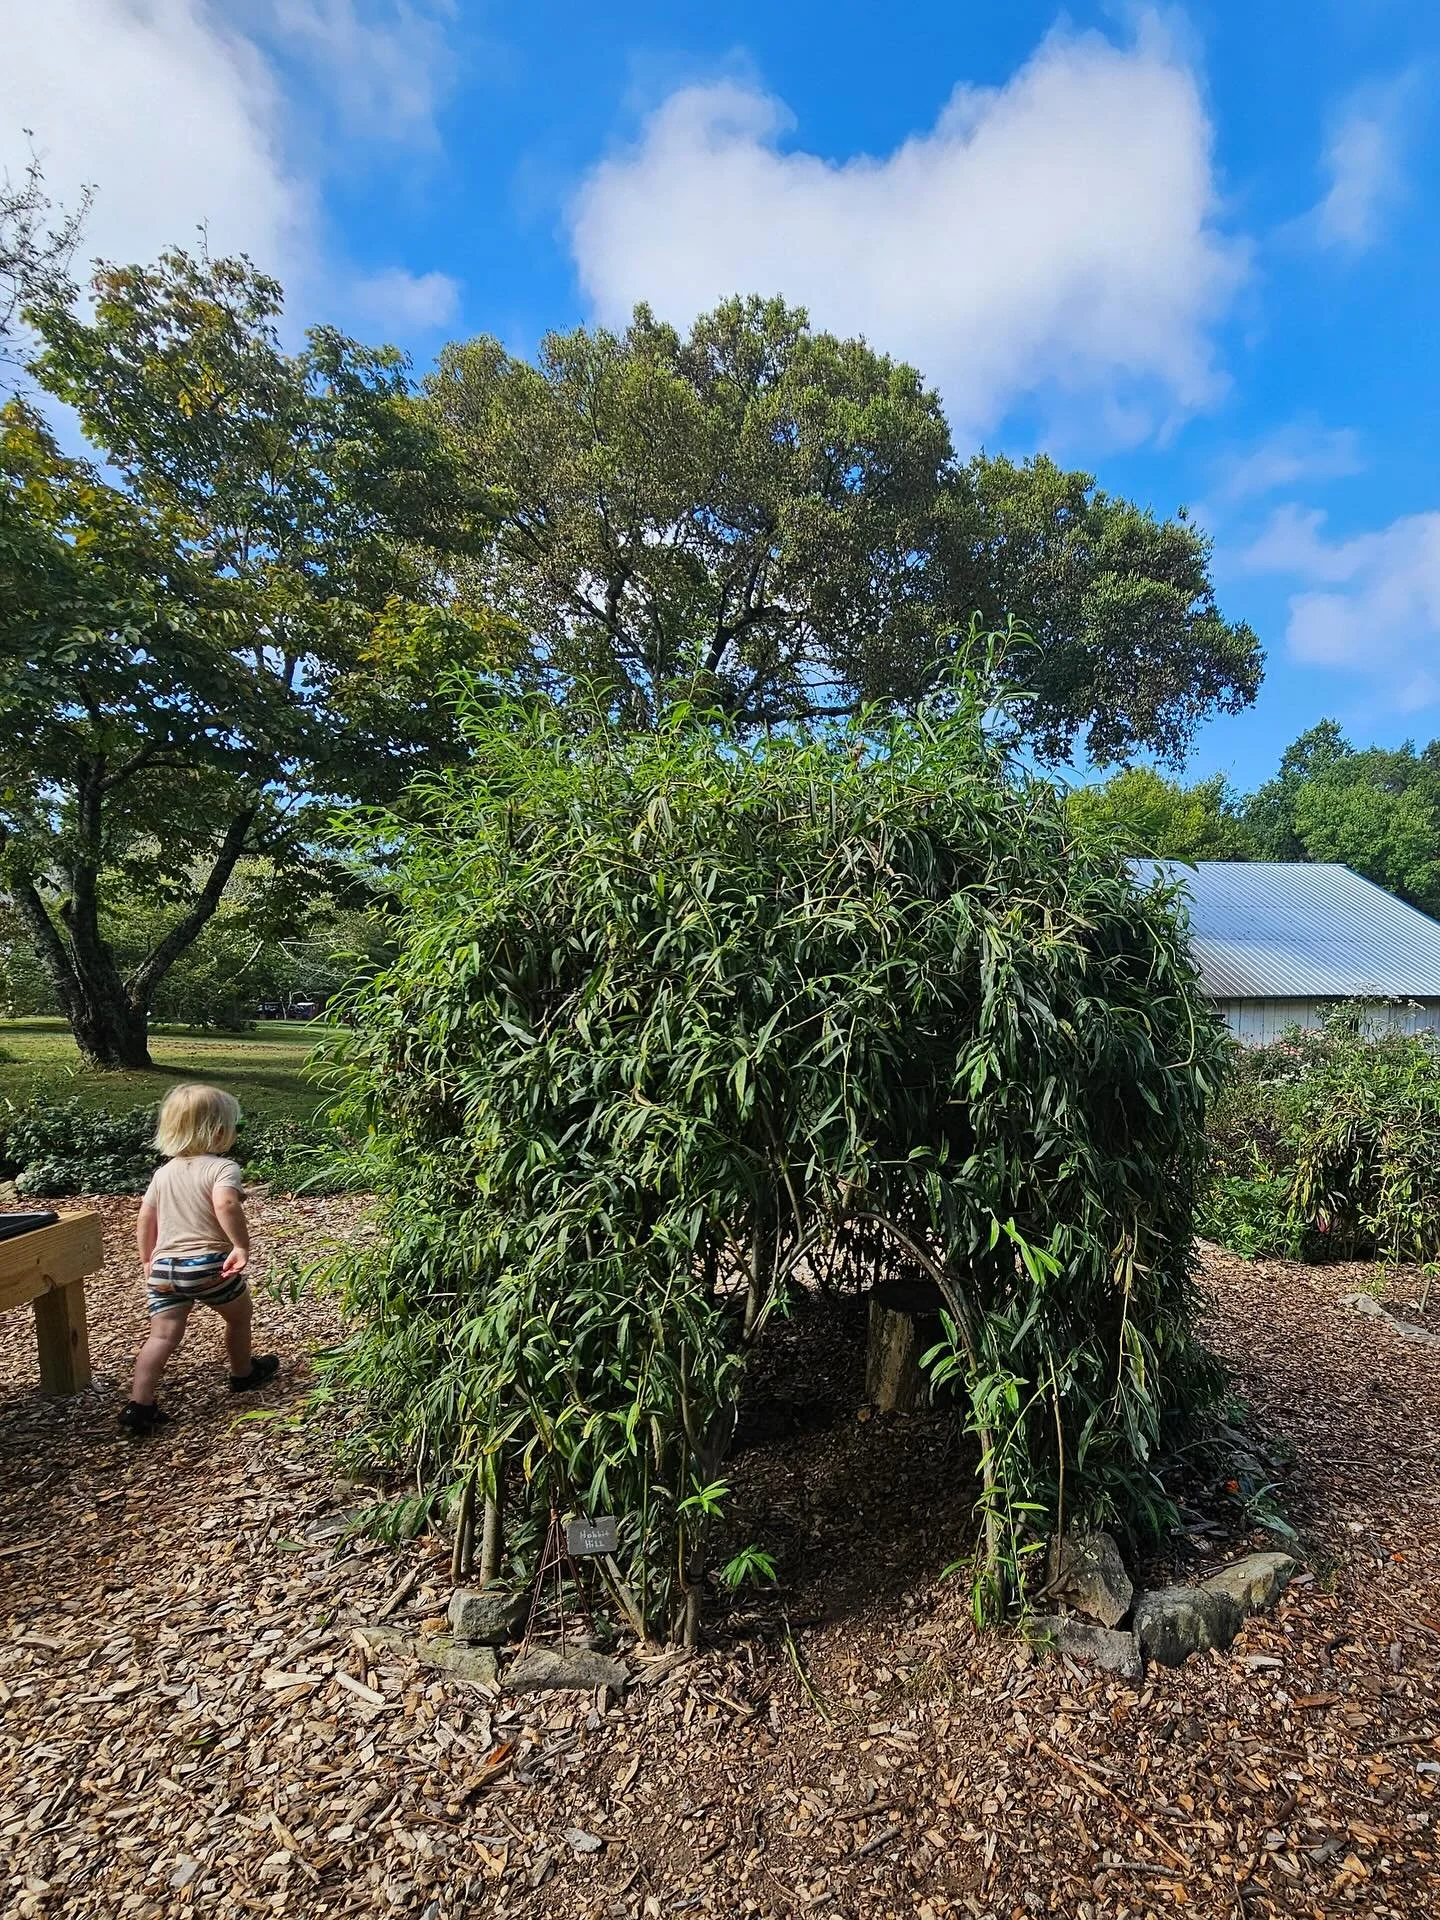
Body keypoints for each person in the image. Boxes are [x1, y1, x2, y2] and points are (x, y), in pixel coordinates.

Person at [120, 1083, 279, 1436]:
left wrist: (147, 1259)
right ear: (220, 1131)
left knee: (161, 1336)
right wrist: (241, 1246)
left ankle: (139, 1404)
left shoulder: (163, 1173)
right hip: (208, 1264)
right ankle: (242, 1373)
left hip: (164, 1268)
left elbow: (146, 1217)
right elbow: (224, 1204)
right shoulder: (223, 1168)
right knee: (240, 1317)